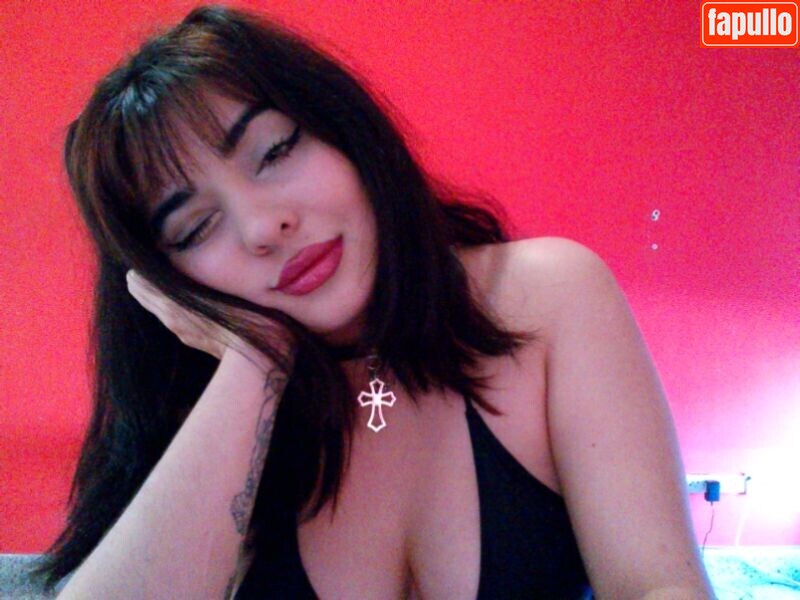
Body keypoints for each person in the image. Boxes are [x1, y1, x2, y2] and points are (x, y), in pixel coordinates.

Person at [33, 5, 714, 599]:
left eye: (274, 152)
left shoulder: (547, 295)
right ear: (165, 278)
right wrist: (254, 364)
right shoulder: (199, 399)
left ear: (343, 131)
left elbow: (659, 584)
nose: (264, 227)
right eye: (196, 227)